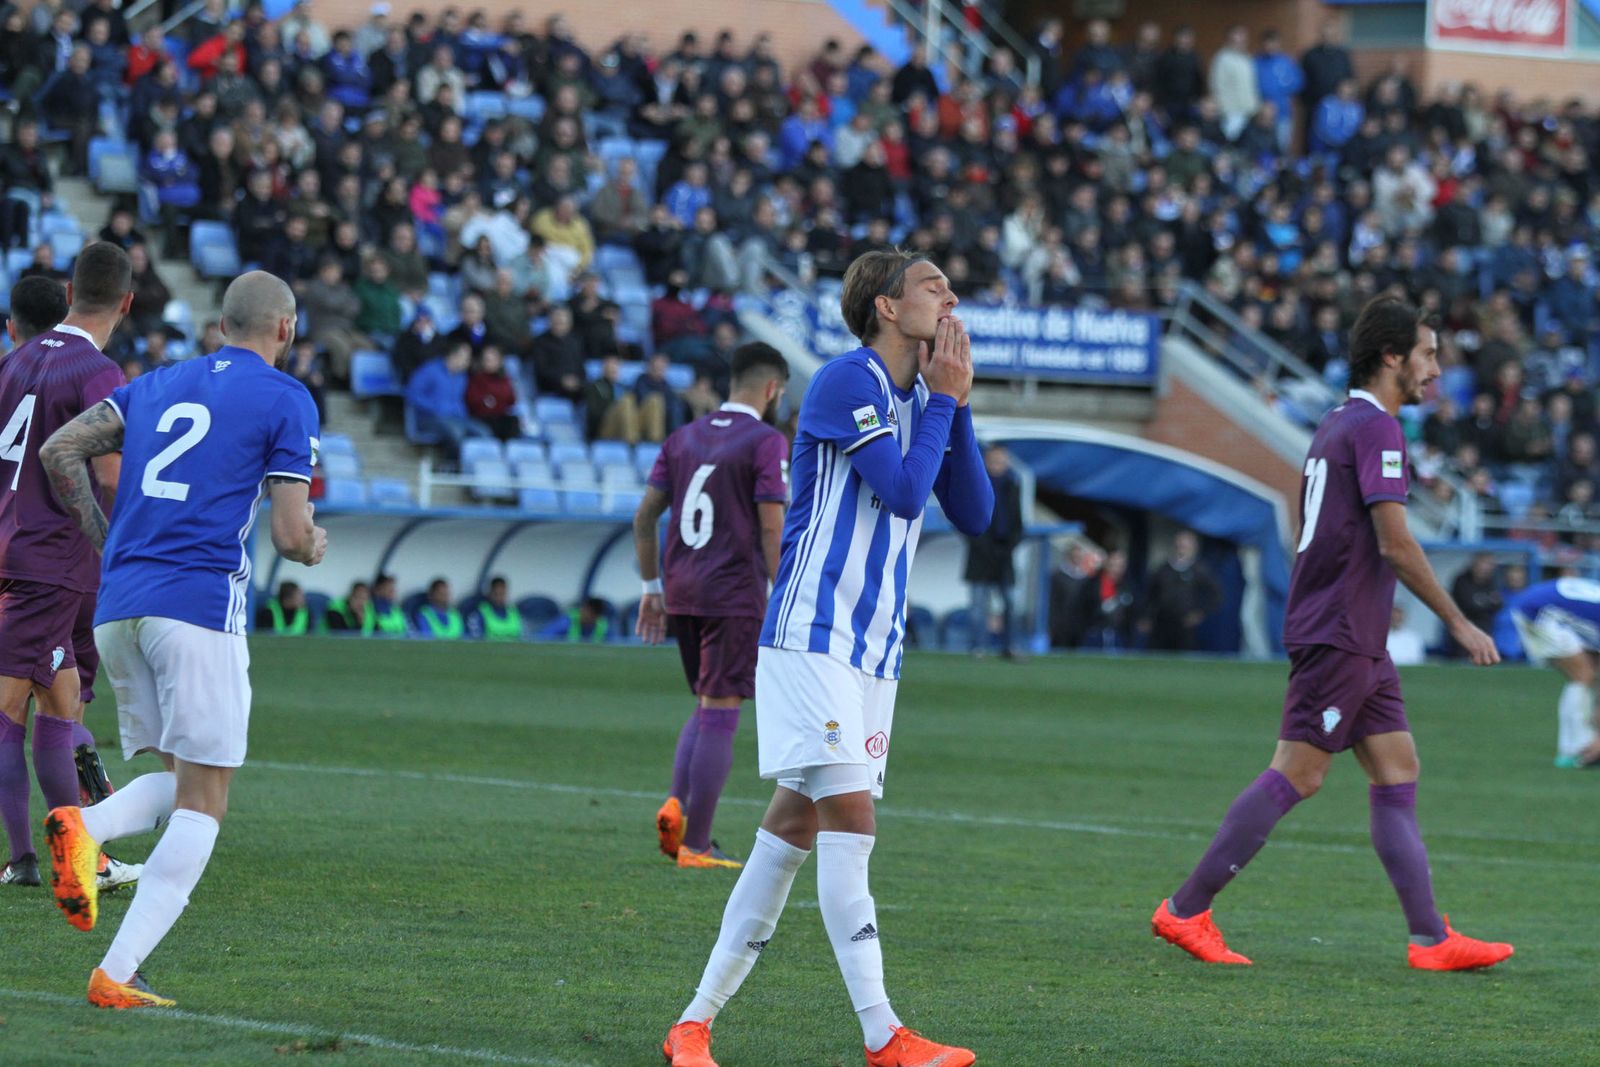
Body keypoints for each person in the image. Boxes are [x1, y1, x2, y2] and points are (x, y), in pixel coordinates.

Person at [661, 251, 992, 1067]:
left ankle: (693, 1023)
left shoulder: (926, 396)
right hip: (813, 633)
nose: (950, 296)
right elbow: (904, 493)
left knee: (789, 828)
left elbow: (976, 512)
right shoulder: (849, 381)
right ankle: (883, 1033)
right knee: (852, 821)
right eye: (933, 285)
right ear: (887, 307)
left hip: (873, 651)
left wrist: (956, 404)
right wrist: (943, 403)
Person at [1150, 296, 1511, 973]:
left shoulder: (1338, 421)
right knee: (1300, 772)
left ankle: (1430, 938)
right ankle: (1186, 909)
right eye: (1428, 355)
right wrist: (1458, 621)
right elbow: (1396, 542)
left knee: (1397, 767)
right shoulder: (1378, 430)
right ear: (1392, 356)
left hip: (1355, 632)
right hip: (1341, 631)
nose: (1436, 370)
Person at [38, 270, 327, 1008]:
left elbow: (60, 450)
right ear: (285, 328)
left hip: (120, 607)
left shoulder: (155, 383)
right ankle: (115, 961)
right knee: (206, 802)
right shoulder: (286, 396)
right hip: (195, 606)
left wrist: (109, 543)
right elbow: (289, 534)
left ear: (221, 325)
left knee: (184, 782)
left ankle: (87, 830)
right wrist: (312, 545)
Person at [0, 246, 139, 892]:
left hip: (13, 548)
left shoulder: (15, 359)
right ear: (127, 303)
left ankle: (55, 856)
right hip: (54, 560)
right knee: (12, 709)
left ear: (69, 290)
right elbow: (109, 473)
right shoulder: (98, 371)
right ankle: (58, 860)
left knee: (63, 694)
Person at [633, 343, 791, 871]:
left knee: (707, 703)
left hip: (681, 588)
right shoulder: (766, 441)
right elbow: (771, 527)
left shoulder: (682, 437)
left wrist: (651, 587)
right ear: (772, 389)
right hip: (732, 591)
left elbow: (644, 517)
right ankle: (696, 845)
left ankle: (676, 811)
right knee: (723, 709)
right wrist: (782, 592)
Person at [1500, 578, 1600, 767]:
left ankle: (1581, 745)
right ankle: (1578, 749)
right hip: (1538, 611)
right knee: (1583, 676)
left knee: (1588, 674)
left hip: (1550, 604)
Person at [962, 443, 1024, 659]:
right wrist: (983, 546)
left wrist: (1010, 546)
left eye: (1001, 461)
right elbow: (967, 520)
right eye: (994, 460)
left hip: (1005, 555)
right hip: (980, 555)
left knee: (1011, 603)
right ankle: (978, 647)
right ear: (986, 462)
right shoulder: (975, 484)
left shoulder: (1012, 485)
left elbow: (1018, 522)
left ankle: (1010, 646)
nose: (998, 465)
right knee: (978, 606)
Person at [1140, 530, 1222, 652]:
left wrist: (1200, 612)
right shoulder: (1163, 569)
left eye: (1186, 546)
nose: (1182, 548)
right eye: (1180, 545)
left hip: (1185, 624)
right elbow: (1149, 594)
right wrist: (1146, 616)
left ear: (1193, 547)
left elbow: (1215, 594)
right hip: (1161, 623)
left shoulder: (1199, 570)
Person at [1449, 553, 1502, 659]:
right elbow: (1468, 605)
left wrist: (1481, 603)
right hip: (1464, 625)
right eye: (1484, 563)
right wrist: (1487, 603)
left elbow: (1498, 604)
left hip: (1486, 626)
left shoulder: (1492, 582)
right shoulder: (1461, 580)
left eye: (1490, 565)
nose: (1486, 568)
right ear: (1475, 564)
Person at [470, 576, 522, 640]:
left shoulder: (514, 612)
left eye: (502, 594)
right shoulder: (481, 613)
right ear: (490, 593)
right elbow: (476, 639)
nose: (499, 598)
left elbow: (523, 635)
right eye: (496, 594)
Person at [540, 596, 610, 642]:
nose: (589, 617)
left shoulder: (603, 625)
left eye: (593, 615)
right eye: (588, 612)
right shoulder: (567, 621)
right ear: (583, 608)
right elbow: (543, 637)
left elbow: (613, 641)